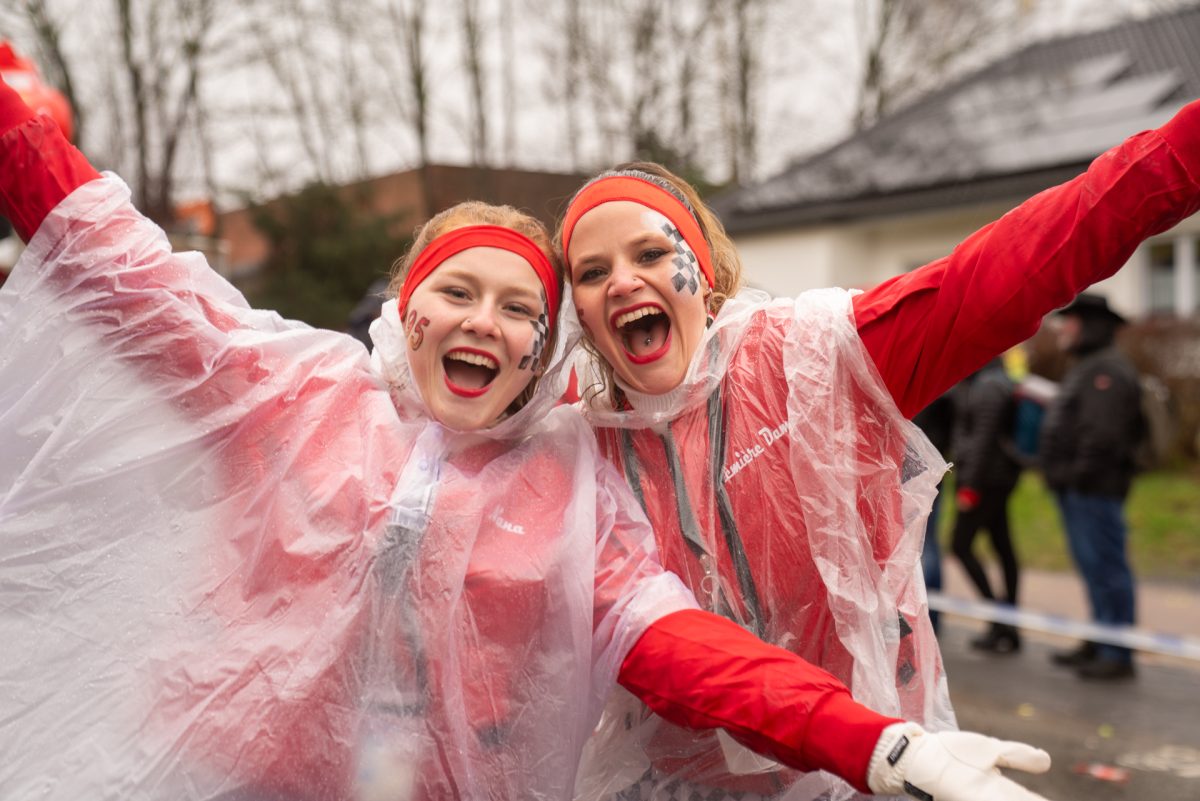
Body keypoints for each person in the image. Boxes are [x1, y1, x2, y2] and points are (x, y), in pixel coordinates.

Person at [0, 76, 1057, 801]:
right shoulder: (296, 394)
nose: (485, 322)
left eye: (519, 309)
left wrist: (880, 743)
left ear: (545, 351)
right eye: (458, 291)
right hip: (230, 776)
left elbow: (690, 654)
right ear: (407, 311)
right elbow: (113, 260)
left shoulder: (563, 491)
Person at [558, 96, 1200, 800]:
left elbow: (1023, 261)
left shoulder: (816, 360)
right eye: (591, 272)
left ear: (704, 272)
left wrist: (1186, 152)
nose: (623, 281)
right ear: (577, 313)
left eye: (651, 253)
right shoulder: (572, 452)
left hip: (866, 773)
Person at [1039, 293, 1142, 680]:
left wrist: (1074, 476)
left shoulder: (1107, 371)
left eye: (1070, 321)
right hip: (1081, 489)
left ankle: (1116, 651)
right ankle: (1100, 638)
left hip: (1094, 489)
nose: (1062, 328)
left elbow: (1102, 437)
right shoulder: (1090, 366)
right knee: (1092, 566)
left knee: (1106, 568)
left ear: (1091, 325)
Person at [949, 359, 1024, 654]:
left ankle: (1001, 622)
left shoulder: (989, 385)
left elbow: (984, 438)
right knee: (1003, 546)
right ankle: (1007, 626)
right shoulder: (993, 379)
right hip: (996, 477)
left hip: (986, 480)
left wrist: (970, 485)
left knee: (960, 545)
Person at [913, 391, 955, 635]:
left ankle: (928, 616)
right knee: (929, 544)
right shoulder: (946, 391)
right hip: (933, 470)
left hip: (919, 472)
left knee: (923, 546)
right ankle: (932, 616)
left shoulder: (930, 393)